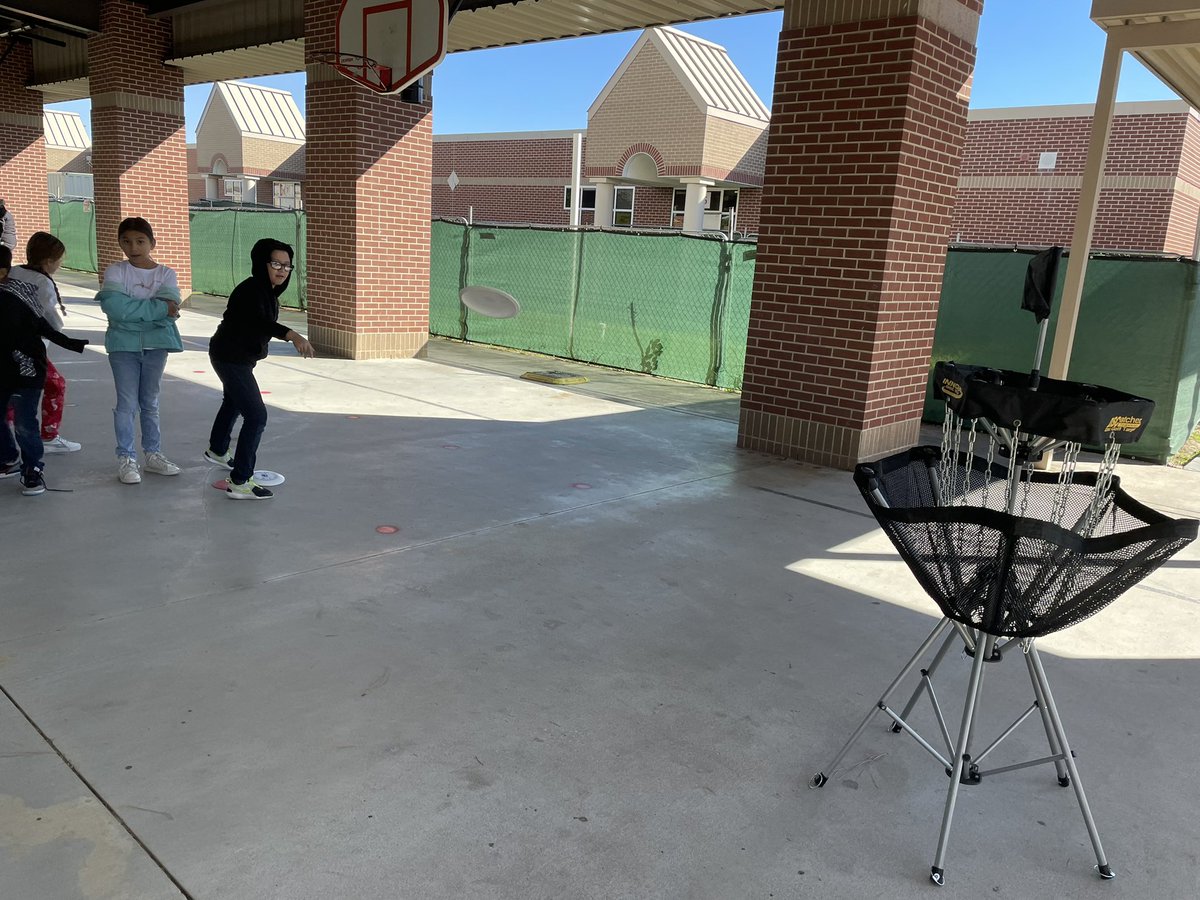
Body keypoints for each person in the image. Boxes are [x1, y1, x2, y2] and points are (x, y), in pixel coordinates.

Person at [205, 238, 313, 500]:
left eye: (287, 266)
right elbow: (260, 323)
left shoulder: (266, 292)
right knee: (256, 416)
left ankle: (218, 450)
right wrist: (292, 335)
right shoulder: (252, 290)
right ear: (261, 263)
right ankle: (241, 480)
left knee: (232, 402)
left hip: (232, 356)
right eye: (276, 263)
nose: (282, 270)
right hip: (231, 358)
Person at [96, 217, 184, 485]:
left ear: (152, 243)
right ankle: (126, 458)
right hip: (123, 347)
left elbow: (171, 311)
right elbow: (114, 309)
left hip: (157, 346)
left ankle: (153, 454)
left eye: (140, 241)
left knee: (150, 402)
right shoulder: (116, 271)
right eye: (126, 241)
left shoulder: (166, 274)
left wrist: (133, 312)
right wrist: (157, 310)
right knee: (126, 403)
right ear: (120, 243)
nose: (133, 247)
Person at [0, 246, 88, 495]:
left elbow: (45, 325)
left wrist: (71, 343)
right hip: (3, 370)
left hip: (26, 369)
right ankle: (8, 458)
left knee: (25, 420)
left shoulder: (20, 296)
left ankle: (33, 467)